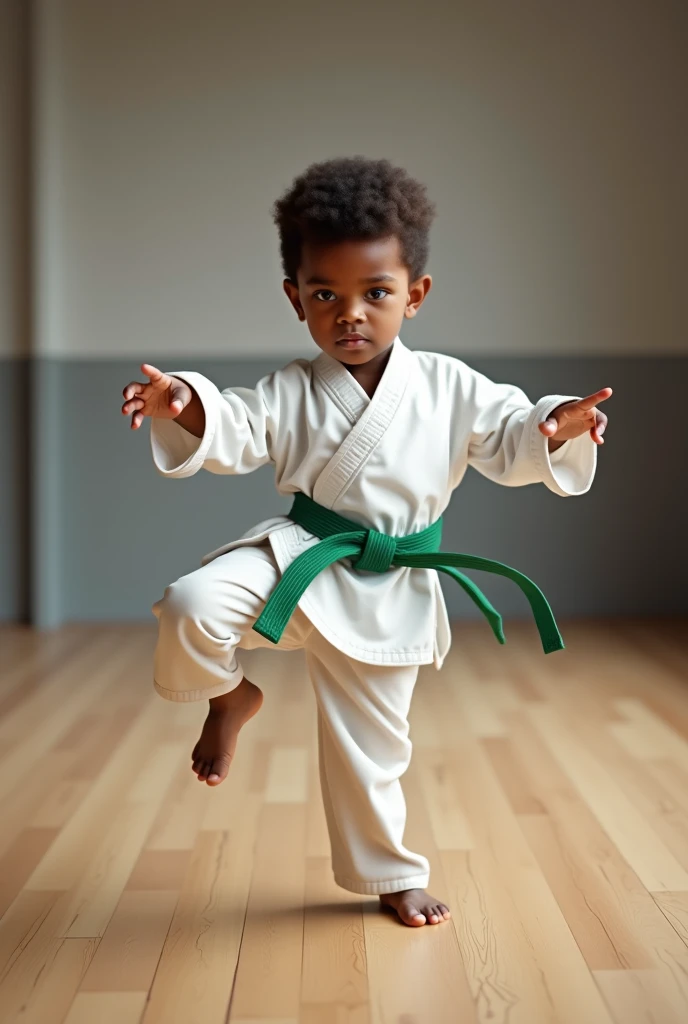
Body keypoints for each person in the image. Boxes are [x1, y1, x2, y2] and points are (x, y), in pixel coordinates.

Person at [121, 157, 611, 927]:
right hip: (301, 557)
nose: (350, 314)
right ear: (296, 300)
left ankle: (391, 876)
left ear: (414, 295)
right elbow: (237, 427)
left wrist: (557, 424)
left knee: (371, 750)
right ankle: (229, 697)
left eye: (375, 293)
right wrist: (183, 405)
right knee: (189, 604)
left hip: (392, 587)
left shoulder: (450, 387)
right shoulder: (293, 388)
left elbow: (515, 434)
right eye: (326, 295)